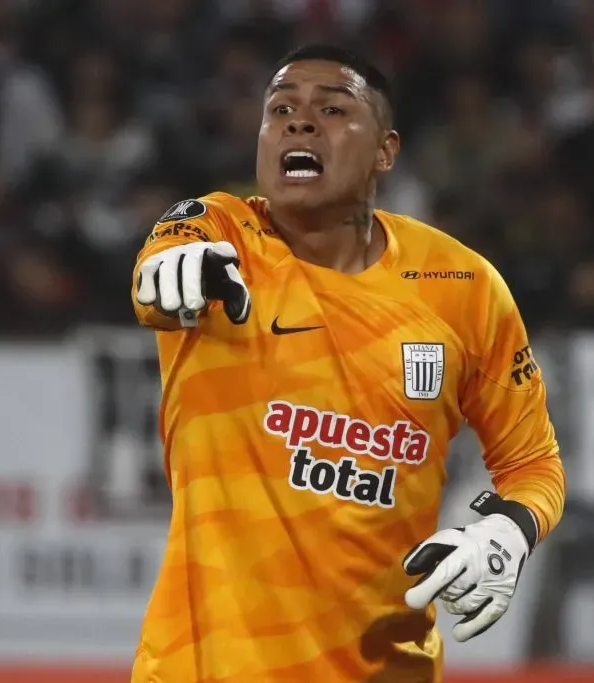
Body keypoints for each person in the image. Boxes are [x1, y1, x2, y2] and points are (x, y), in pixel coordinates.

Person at [130, 45, 566, 683]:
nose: (299, 123)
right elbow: (159, 273)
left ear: (385, 151)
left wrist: (507, 531)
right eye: (281, 109)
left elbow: (532, 464)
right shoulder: (219, 235)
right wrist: (164, 274)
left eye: (332, 109)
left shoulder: (461, 286)